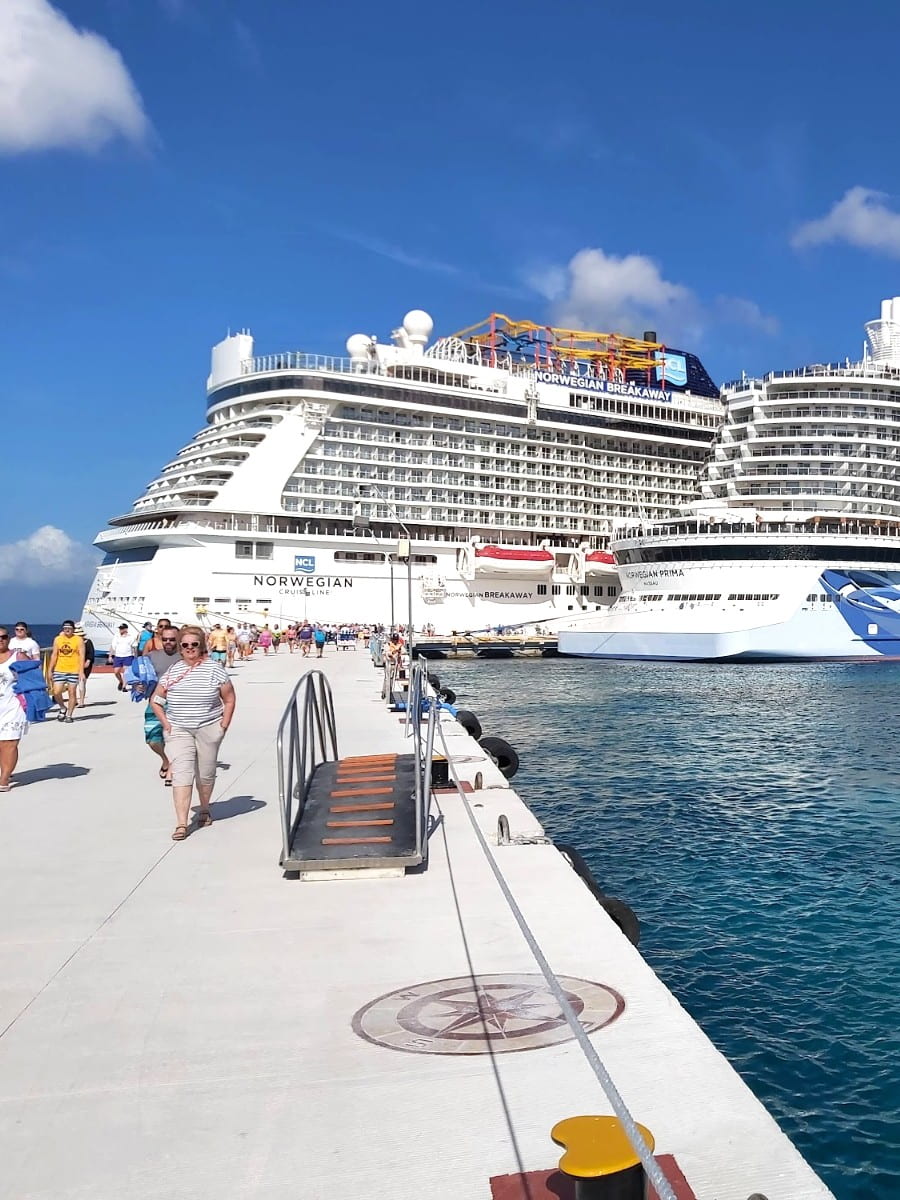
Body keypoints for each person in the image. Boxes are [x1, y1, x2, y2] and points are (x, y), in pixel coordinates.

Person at [148, 626, 236, 841]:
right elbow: (156, 700)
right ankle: (181, 823)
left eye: (194, 644)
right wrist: (166, 724)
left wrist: (223, 726)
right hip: (178, 729)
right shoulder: (173, 671)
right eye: (185, 645)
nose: (189, 648)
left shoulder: (214, 669)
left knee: (205, 773)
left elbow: (229, 698)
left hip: (209, 727)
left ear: (201, 646)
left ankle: (204, 808)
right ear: (180, 647)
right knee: (182, 773)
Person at [143, 628, 180, 784]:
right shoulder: (152, 656)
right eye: (165, 639)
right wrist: (139, 686)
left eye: (172, 639)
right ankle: (166, 760)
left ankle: (172, 769)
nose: (168, 642)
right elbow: (141, 676)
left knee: (175, 739)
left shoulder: (185, 657)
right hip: (156, 702)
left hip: (178, 703)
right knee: (153, 740)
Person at [0, 627, 27, 790]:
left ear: (8, 639)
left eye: (3, 637)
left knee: (9, 743)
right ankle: (5, 771)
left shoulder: (18, 657)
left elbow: (34, 679)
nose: (0, 640)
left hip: (13, 706)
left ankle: (3, 779)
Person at [48, 619, 84, 722]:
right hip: (59, 669)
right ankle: (63, 708)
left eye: (69, 628)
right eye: (65, 628)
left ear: (73, 629)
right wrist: (50, 669)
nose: (67, 630)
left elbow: (82, 656)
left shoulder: (78, 640)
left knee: (72, 693)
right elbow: (54, 654)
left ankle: (69, 715)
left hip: (73, 670)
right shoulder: (58, 639)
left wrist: (81, 671)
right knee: (56, 692)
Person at [77, 625, 95, 707]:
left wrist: (88, 661)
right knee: (73, 684)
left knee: (82, 682)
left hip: (85, 664)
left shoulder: (87, 642)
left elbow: (91, 654)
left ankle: (81, 701)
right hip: (75, 664)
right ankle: (74, 699)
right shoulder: (73, 642)